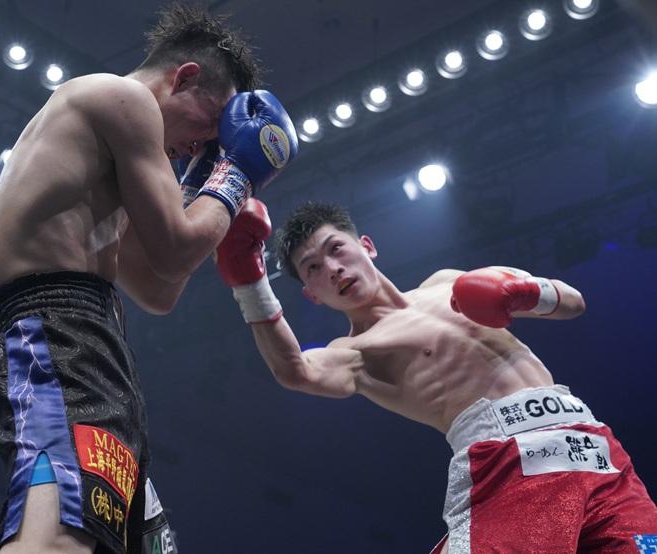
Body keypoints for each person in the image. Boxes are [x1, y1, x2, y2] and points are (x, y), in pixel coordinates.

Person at [0, 4, 298, 553]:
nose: (202, 146)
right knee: (61, 536)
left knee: (134, 543)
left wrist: (200, 182)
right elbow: (176, 252)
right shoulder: (119, 96)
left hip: (95, 344)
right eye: (208, 126)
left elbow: (158, 289)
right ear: (185, 77)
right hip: (56, 339)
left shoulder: (102, 173)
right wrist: (237, 174)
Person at [215, 199, 657, 553]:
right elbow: (295, 371)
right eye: (312, 268)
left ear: (366, 246)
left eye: (335, 249)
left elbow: (573, 303)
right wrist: (248, 283)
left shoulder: (447, 282)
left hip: (596, 449)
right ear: (312, 295)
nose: (332, 269)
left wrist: (526, 292)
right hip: (508, 464)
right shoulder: (356, 351)